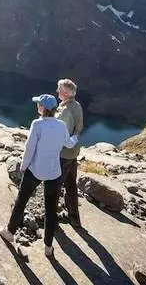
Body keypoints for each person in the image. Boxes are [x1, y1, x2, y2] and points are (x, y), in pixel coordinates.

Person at [0, 94, 79, 257]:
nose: (37, 107)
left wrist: (23, 167)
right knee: (51, 208)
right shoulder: (61, 125)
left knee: (21, 200)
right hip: (54, 172)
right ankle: (48, 247)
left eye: (38, 104)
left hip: (35, 170)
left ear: (43, 108)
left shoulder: (37, 124)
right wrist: (76, 136)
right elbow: (68, 144)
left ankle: (10, 232)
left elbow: (29, 149)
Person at [56, 78, 83, 227]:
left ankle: (51, 219)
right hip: (73, 153)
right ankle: (74, 217)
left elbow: (62, 135)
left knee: (55, 185)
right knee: (71, 184)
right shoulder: (77, 105)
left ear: (66, 93)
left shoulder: (66, 110)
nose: (57, 91)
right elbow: (77, 130)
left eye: (59, 89)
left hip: (63, 154)